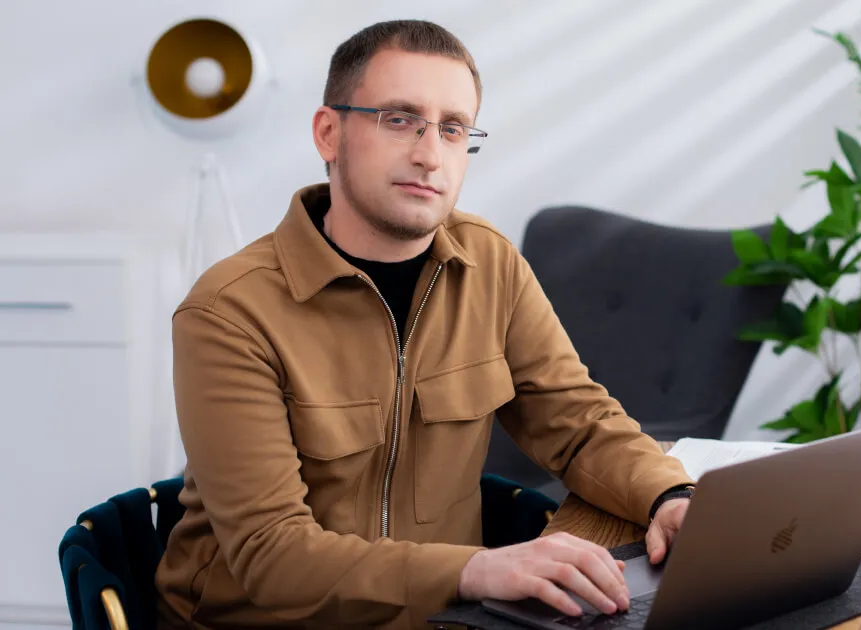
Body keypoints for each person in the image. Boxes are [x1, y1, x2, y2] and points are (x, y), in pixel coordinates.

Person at [155, 19, 697, 630]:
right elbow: (271, 554)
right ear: (329, 133)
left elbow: (577, 422)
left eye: (452, 128)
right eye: (399, 119)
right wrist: (477, 570)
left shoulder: (490, 264)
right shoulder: (229, 312)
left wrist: (669, 495)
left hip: (443, 617)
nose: (429, 154)